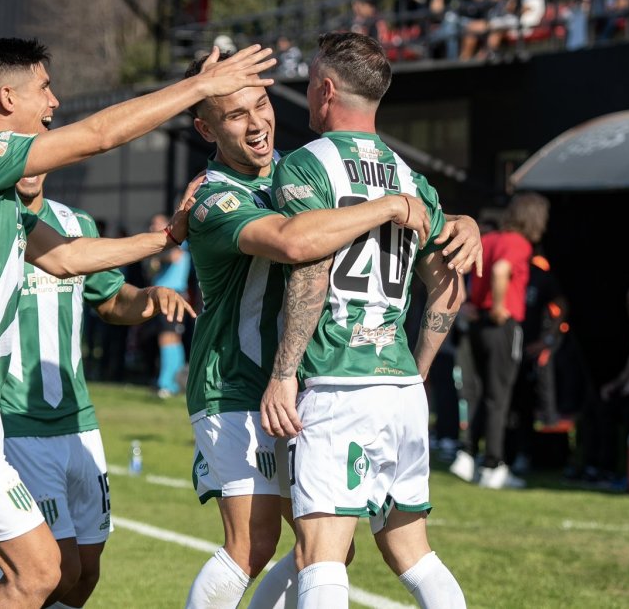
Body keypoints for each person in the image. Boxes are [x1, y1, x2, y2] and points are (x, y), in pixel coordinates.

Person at [0, 37, 278, 609]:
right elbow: (98, 137)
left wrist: (167, 238)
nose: (54, 101)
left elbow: (65, 258)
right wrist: (199, 86)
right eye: (45, 88)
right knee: (41, 572)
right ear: (8, 97)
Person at [179, 49, 478, 609]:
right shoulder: (214, 197)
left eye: (262, 104)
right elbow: (299, 242)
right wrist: (397, 205)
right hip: (240, 384)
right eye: (235, 115)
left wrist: (462, 222)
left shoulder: (304, 166)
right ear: (205, 129)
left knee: (327, 551)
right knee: (254, 544)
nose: (257, 122)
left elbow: (371, 212)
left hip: (309, 381)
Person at [262, 31, 469, 609]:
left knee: (320, 554)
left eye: (308, 86)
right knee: (414, 554)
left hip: (337, 381)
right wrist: (419, 368)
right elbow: (448, 283)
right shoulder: (411, 180)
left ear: (327, 91)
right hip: (398, 385)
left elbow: (310, 268)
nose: (306, 97)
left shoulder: (308, 164)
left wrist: (284, 372)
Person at [0, 171, 196, 608]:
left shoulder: (76, 223)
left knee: (88, 569)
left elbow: (111, 299)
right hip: (16, 421)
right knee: (51, 568)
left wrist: (150, 297)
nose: (31, 167)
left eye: (39, 152)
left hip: (79, 421)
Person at [452, 191, 549, 489]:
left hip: (477, 325)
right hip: (501, 324)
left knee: (478, 392)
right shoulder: (518, 244)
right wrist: (497, 305)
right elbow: (500, 270)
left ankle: (467, 454)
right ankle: (494, 464)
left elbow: (458, 267)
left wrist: (463, 304)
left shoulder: (490, 239)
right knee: (499, 396)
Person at [580, 283, 629, 485]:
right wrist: (615, 385)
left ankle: (612, 468)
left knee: (622, 411)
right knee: (596, 405)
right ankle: (594, 466)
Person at [145, 212, 193, 398]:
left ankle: (167, 383)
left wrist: (156, 258)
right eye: (151, 224)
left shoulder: (175, 241)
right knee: (170, 338)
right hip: (162, 295)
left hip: (173, 294)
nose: (152, 228)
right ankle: (175, 381)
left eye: (157, 224)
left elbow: (174, 256)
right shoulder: (159, 247)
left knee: (167, 338)